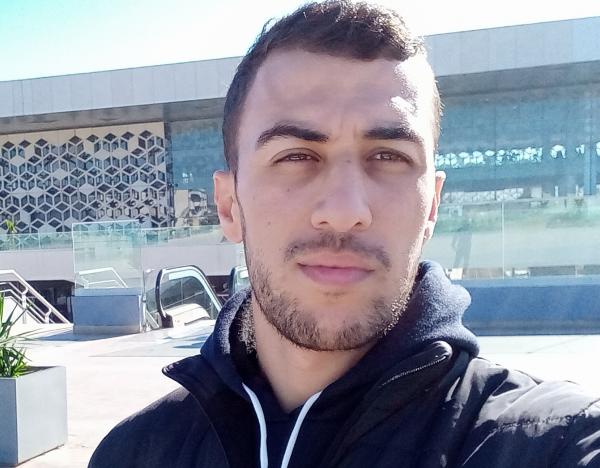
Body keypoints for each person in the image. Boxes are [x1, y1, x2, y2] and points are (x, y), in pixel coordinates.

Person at [89, 2, 600, 467]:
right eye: (296, 156)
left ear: (431, 206)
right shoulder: (132, 454)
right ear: (229, 205)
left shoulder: (551, 443)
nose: (344, 212)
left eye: (389, 156)